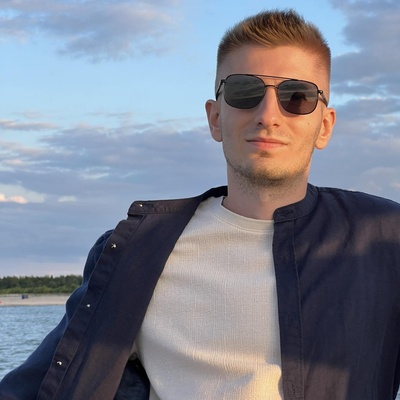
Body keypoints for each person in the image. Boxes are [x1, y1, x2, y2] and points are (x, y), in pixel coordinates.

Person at [1, 9, 399, 400]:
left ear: (324, 126)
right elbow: (36, 385)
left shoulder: (384, 242)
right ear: (215, 118)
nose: (268, 115)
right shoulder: (135, 253)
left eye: (297, 97)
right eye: (245, 92)